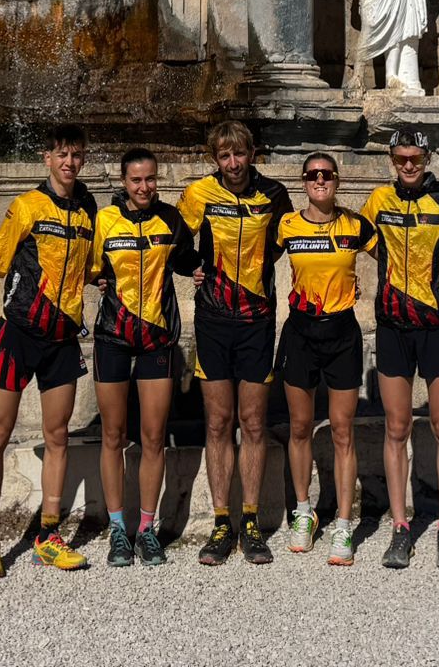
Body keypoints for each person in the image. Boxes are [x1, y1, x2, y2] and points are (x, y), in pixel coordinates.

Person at [0, 124, 99, 579]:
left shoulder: (88, 207)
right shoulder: (27, 206)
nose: (70, 162)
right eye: (62, 154)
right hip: (19, 333)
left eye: (77, 155)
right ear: (46, 158)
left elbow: (87, 267)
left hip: (62, 337)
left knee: (58, 435)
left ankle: (48, 536)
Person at [361, 127, 439, 570]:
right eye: (400, 159)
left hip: (438, 328)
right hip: (394, 326)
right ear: (392, 160)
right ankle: (399, 526)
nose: (408, 166)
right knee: (396, 427)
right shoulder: (378, 201)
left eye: (415, 158)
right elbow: (353, 236)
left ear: (428, 157)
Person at [178, 119, 291, 564]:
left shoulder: (274, 194)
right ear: (215, 159)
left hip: (258, 318)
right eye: (224, 156)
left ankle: (251, 522)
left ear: (252, 153)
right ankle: (221, 521)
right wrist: (193, 266)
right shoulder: (200, 193)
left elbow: (289, 239)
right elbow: (174, 238)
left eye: (239, 153)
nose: (233, 163)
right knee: (218, 422)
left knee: (255, 422)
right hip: (212, 318)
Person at [90, 148, 195, 567]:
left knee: (154, 438)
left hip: (157, 336)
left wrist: (200, 270)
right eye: (136, 180)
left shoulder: (171, 220)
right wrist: (97, 278)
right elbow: (89, 266)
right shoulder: (104, 220)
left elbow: (188, 260)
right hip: (113, 335)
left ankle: (146, 530)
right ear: (123, 182)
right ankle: (118, 529)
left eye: (150, 179)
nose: (144, 187)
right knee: (113, 436)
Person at [274, 151, 379, 565]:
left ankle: (343, 522)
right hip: (300, 331)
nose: (320, 181)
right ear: (304, 182)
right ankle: (303, 513)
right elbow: (253, 259)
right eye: (313, 175)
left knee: (341, 430)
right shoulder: (287, 225)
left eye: (327, 175)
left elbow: (395, 258)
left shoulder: (355, 225)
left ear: (337, 181)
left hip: (341, 332)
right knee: (300, 426)